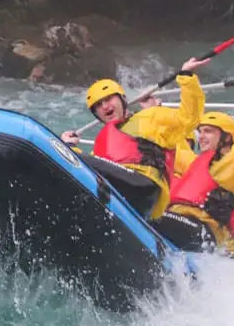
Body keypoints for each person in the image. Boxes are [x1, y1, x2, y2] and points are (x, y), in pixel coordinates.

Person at [60, 57, 210, 219]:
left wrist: (187, 77)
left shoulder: (151, 117)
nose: (104, 106)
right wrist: (70, 146)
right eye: (98, 105)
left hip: (143, 186)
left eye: (109, 99)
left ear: (123, 99)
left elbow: (189, 117)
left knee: (74, 158)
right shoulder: (102, 141)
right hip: (121, 195)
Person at [155, 74, 234, 257]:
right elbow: (171, 142)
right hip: (179, 222)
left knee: (152, 217)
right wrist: (153, 112)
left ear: (226, 137)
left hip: (203, 232)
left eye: (208, 132)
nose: (201, 136)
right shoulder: (196, 163)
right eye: (200, 132)